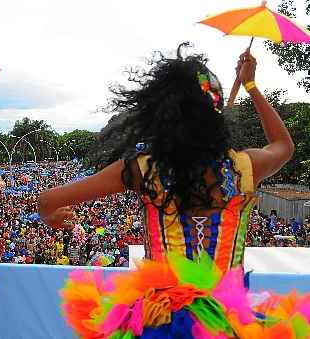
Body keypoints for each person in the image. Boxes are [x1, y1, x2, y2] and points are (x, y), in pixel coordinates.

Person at [38, 43, 308, 337]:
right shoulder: (245, 167)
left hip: (159, 319)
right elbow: (284, 145)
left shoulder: (143, 169)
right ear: (214, 112)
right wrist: (251, 84)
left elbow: (48, 200)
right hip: (228, 321)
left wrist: (51, 217)